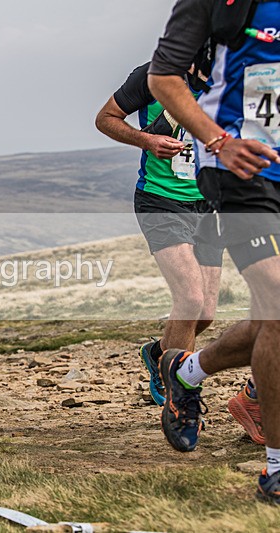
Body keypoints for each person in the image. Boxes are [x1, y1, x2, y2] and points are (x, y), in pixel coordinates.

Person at [148, 0, 280, 502]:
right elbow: (164, 79)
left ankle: (187, 370)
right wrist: (219, 141)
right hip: (240, 168)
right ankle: (275, 472)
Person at [96, 62, 227, 408]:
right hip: (160, 199)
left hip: (211, 204)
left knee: (205, 314)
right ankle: (180, 396)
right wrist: (147, 140)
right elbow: (105, 118)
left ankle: (158, 354)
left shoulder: (232, 75)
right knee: (190, 297)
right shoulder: (153, 74)